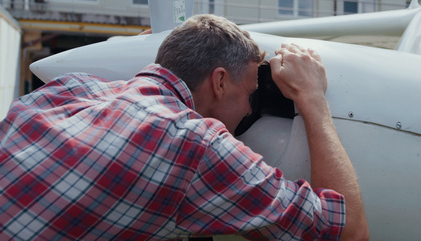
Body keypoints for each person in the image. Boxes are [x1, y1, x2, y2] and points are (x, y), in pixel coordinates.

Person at [0, 14, 368, 240]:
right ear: (220, 83)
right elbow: (349, 233)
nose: (247, 111)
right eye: (249, 95)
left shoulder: (69, 89)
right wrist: (314, 100)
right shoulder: (196, 144)